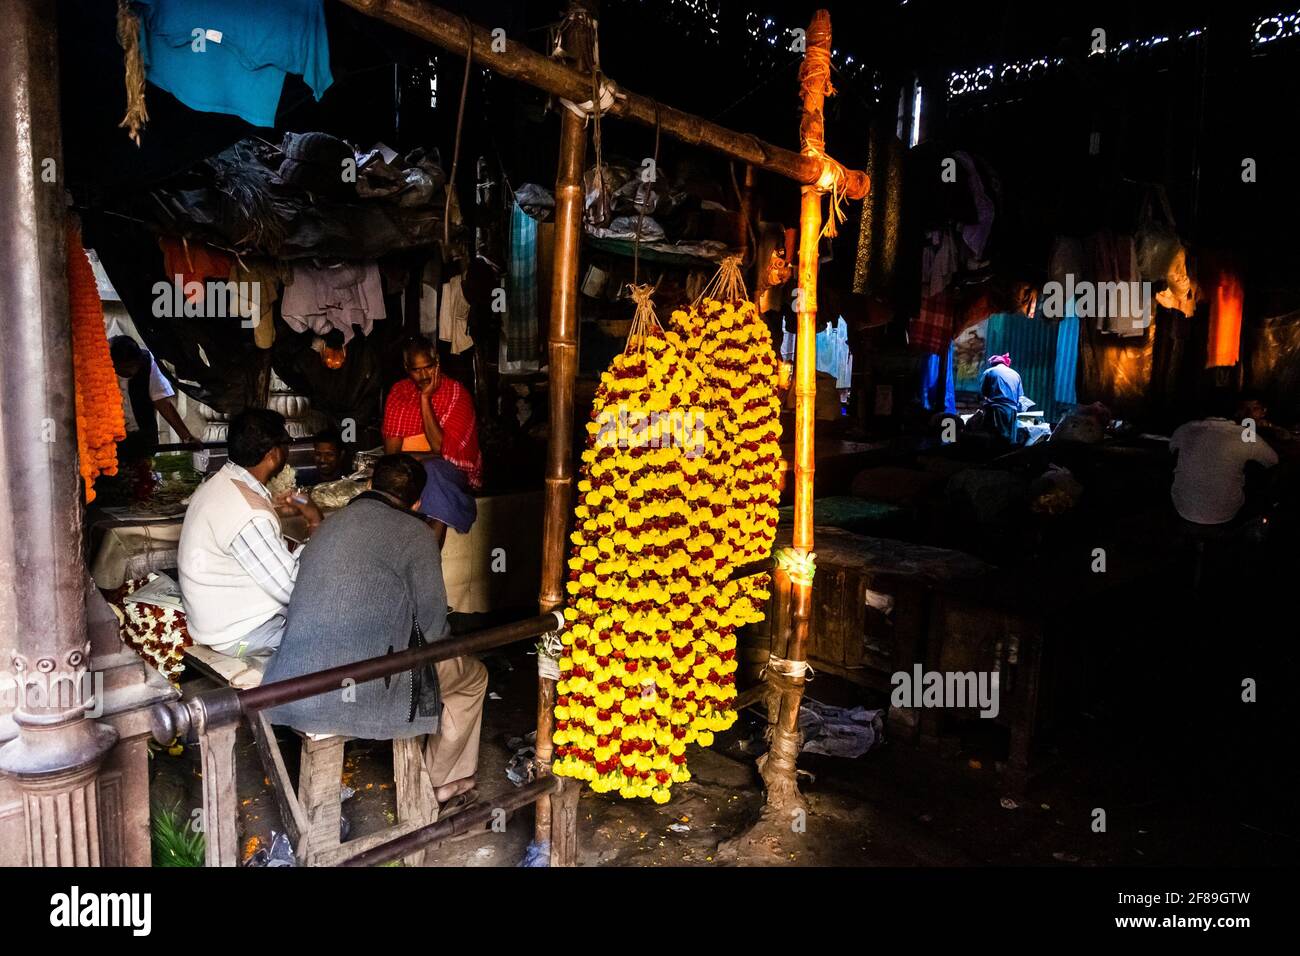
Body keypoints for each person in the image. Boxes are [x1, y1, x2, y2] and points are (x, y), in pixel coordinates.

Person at [263, 454, 487, 807]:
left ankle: (442, 780)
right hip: (357, 685)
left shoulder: (331, 524)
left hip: (290, 678)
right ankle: (444, 783)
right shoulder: (417, 533)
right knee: (473, 677)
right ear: (416, 502)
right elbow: (432, 629)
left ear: (368, 485)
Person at [178, 409, 322, 658]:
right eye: (287, 444)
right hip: (241, 635)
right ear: (273, 454)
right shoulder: (249, 515)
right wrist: (314, 520)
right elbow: (294, 589)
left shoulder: (221, 481)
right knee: (336, 635)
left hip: (220, 621)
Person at [382, 336, 483, 490]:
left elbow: (442, 450)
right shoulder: (399, 393)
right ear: (406, 367)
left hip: (445, 470)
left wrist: (425, 398)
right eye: (416, 370)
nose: (424, 376)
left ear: (437, 362)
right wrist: (420, 458)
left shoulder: (456, 394)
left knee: (433, 470)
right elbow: (392, 456)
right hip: (407, 470)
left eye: (428, 367)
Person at [1169, 392, 1279, 527]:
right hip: (1225, 514)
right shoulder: (1245, 435)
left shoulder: (1186, 429)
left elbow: (1172, 448)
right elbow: (1273, 461)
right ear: (1238, 412)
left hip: (1183, 507)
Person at [109, 335, 198, 456]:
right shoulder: (99, 369)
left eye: (134, 366)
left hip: (144, 438)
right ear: (113, 364)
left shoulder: (147, 362)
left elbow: (162, 402)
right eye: (125, 367)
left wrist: (186, 437)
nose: (131, 371)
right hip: (110, 442)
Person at [973, 353, 1027, 445]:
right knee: (1009, 441)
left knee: (994, 440)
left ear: (993, 364)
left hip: (996, 410)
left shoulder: (989, 372)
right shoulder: (1016, 374)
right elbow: (1020, 397)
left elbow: (982, 394)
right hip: (1012, 412)